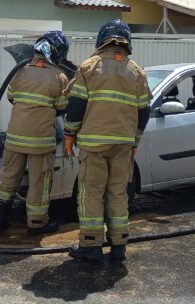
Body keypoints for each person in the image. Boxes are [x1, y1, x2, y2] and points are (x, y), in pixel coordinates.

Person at [64, 20, 151, 262]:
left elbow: (76, 105)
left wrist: (69, 134)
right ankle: (119, 245)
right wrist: (135, 142)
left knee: (92, 193)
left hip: (94, 145)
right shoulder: (137, 72)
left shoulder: (89, 68)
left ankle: (91, 247)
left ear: (102, 40)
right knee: (118, 194)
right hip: (123, 145)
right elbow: (144, 111)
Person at [0, 31, 70, 236]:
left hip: (15, 138)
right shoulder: (59, 76)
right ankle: (36, 224)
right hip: (41, 141)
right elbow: (62, 107)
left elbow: (11, 97)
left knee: (9, 178)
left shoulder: (19, 71)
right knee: (39, 182)